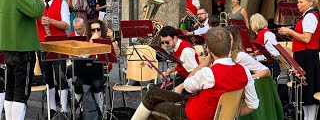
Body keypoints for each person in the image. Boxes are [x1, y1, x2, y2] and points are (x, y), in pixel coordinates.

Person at [131, 27, 259, 120]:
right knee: (154, 92)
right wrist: (228, 115)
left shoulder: (208, 73)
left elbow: (187, 84)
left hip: (191, 114)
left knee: (153, 107)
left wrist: (207, 60)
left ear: (208, 48)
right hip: (198, 104)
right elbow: (253, 105)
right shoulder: (245, 72)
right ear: (229, 46)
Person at [0, 0, 44, 120]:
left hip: (7, 46)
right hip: (22, 47)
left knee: (10, 89)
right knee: (21, 92)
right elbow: (37, 11)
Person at [279, 0, 320, 120]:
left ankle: (310, 118)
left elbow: (306, 38)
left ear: (310, 3)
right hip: (305, 55)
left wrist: (290, 31)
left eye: (301, 2)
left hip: (307, 56)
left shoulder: (310, 16)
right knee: (306, 91)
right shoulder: (308, 16)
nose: (298, 4)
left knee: (309, 91)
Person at [36, 0, 70, 117]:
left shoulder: (61, 3)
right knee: (47, 78)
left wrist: (51, 21)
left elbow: (67, 25)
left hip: (58, 45)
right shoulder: (36, 4)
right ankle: (52, 108)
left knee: (61, 76)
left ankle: (64, 107)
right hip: (42, 45)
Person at [74, 19, 120, 114]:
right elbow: (84, 55)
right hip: (86, 72)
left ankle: (100, 110)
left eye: (98, 29)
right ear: (89, 31)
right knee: (77, 84)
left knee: (96, 84)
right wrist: (92, 41)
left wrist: (112, 39)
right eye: (93, 30)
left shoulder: (106, 40)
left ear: (101, 29)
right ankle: (82, 109)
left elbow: (117, 54)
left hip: (101, 72)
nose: (96, 32)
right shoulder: (86, 41)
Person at [250, 13, 281, 78]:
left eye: (251, 23)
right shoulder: (259, 34)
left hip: (269, 67)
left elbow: (274, 54)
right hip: (262, 65)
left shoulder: (267, 34)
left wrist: (256, 58)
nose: (250, 25)